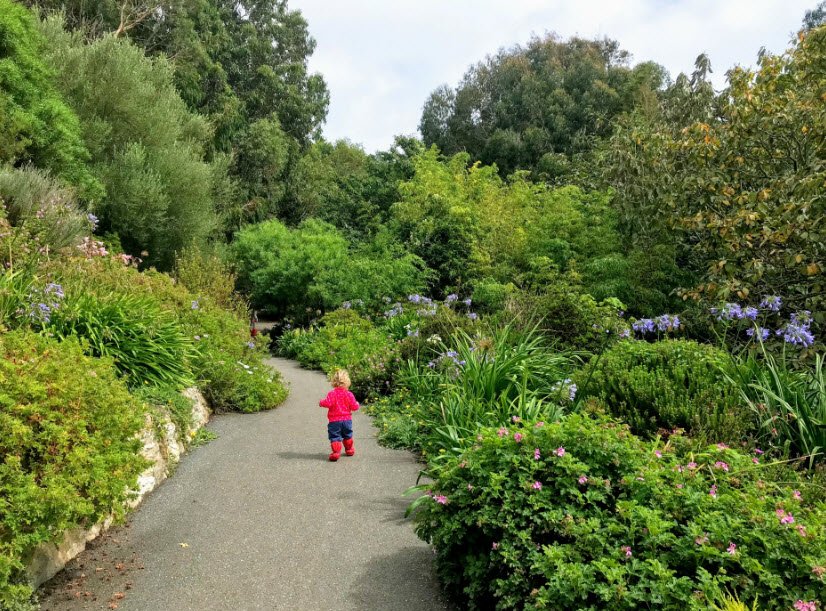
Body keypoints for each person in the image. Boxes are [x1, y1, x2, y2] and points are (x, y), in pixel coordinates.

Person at [319, 369, 360, 461]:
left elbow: (328, 403)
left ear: (334, 382)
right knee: (347, 434)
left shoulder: (332, 394)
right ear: (347, 382)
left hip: (334, 421)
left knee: (335, 436)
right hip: (346, 420)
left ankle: (336, 453)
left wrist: (321, 402)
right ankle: (349, 450)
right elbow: (354, 406)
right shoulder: (349, 394)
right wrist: (357, 404)